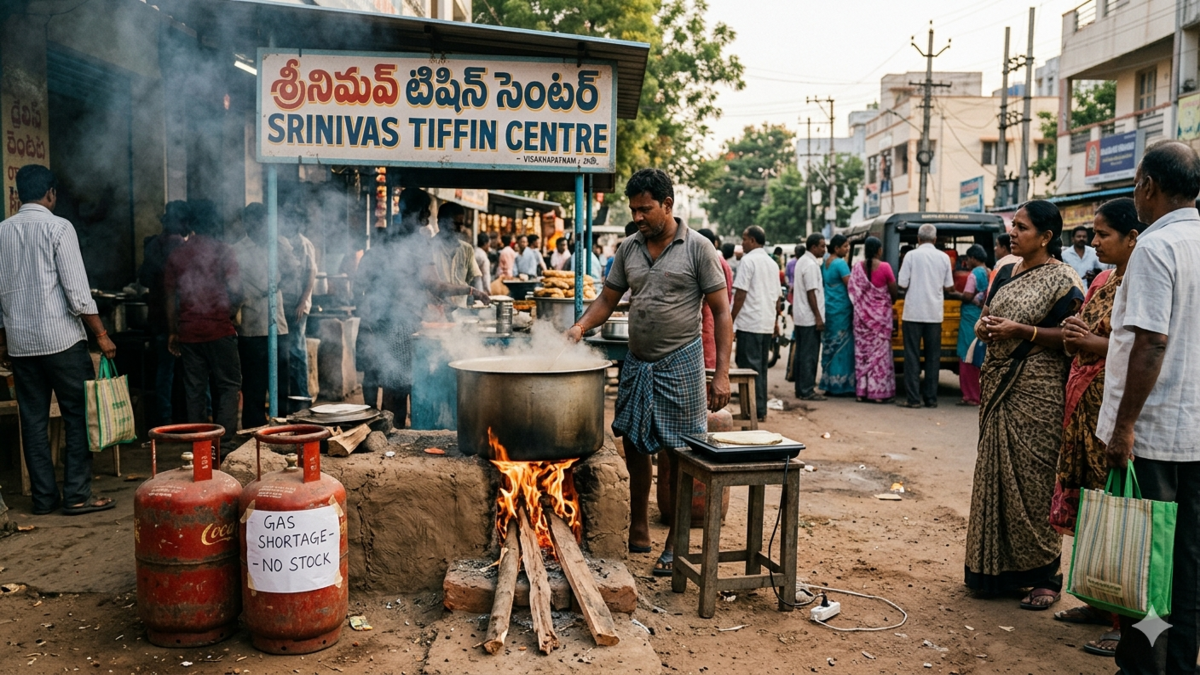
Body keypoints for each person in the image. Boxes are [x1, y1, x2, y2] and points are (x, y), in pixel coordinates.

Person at [566, 168, 731, 578]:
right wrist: (581, 327)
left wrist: (722, 373)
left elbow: (722, 312)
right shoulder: (628, 248)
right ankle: (638, 528)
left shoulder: (698, 248)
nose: (638, 217)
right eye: (634, 210)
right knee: (636, 445)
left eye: (646, 209)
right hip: (637, 362)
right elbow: (608, 298)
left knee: (677, 453)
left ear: (668, 204)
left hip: (682, 363)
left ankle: (676, 542)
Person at [1096, 142, 1200, 674]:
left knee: (1145, 561)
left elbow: (1152, 342)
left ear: (1148, 187)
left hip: (1155, 435)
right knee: (1186, 562)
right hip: (1195, 434)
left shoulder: (1156, 249)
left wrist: (1124, 427)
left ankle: (1144, 664)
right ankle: (1179, 663)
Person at [965, 200, 1084, 609]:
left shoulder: (1063, 279)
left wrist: (1022, 330)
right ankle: (995, 571)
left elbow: (1073, 338)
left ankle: (1044, 575)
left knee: (1034, 484)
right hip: (999, 386)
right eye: (1013, 225)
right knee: (995, 476)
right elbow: (987, 316)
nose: (1012, 233)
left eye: (1022, 227)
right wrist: (986, 327)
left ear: (1046, 237)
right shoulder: (1003, 272)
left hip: (1038, 391)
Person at [1050, 198, 1142, 659]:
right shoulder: (1103, 280)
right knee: (1090, 502)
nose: (1095, 241)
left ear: (1133, 237)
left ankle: (1120, 618)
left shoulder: (1140, 279)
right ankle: (1094, 597)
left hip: (1114, 403)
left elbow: (1137, 341)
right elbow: (1091, 329)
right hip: (1084, 403)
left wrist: (1090, 340)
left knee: (1116, 509)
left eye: (1104, 235)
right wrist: (1077, 330)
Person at [0, 164, 117, 515]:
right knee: (77, 417)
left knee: (33, 422)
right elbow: (78, 293)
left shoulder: (2, 231)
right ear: (51, 193)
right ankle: (78, 495)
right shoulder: (58, 227)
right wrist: (101, 334)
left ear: (19, 194)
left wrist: (4, 342)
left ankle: (43, 498)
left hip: (22, 345)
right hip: (62, 341)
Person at [164, 199, 243, 450]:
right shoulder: (223, 251)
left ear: (191, 224)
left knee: (194, 390)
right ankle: (224, 443)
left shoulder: (177, 254)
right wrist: (230, 312)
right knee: (229, 385)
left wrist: (173, 331)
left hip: (188, 332)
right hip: (220, 329)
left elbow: (169, 297)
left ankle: (198, 445)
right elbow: (236, 289)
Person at [355, 189, 436, 426]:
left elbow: (361, 278)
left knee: (386, 377)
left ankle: (376, 424)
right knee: (393, 381)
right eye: (427, 211)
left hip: (387, 317)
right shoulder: (413, 240)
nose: (429, 217)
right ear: (421, 211)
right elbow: (428, 281)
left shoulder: (393, 235)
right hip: (394, 321)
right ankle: (384, 426)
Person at [234, 203, 294, 427]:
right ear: (246, 223)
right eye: (253, 221)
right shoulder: (238, 250)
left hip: (278, 327)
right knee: (253, 388)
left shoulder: (279, 245)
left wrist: (278, 285)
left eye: (262, 221)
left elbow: (293, 272)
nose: (259, 226)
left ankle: (282, 430)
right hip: (250, 329)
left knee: (280, 387)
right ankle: (254, 433)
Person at [139, 200, 190, 426]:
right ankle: (198, 416)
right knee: (193, 370)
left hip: (158, 317)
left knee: (165, 370)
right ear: (181, 222)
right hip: (184, 317)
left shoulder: (152, 246)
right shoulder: (183, 246)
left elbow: (144, 279)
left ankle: (165, 418)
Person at [897, 224, 955, 408]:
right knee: (932, 357)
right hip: (934, 314)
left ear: (918, 239)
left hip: (912, 313)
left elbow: (902, 283)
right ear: (935, 239)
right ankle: (931, 398)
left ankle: (913, 399)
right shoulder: (944, 257)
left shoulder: (911, 256)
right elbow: (948, 286)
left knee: (912, 356)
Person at [731, 225, 781, 422]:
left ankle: (751, 411)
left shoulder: (748, 261)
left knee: (747, 369)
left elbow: (741, 293)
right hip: (765, 323)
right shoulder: (772, 263)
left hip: (749, 323)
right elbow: (778, 298)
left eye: (744, 238)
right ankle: (759, 410)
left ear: (753, 240)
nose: (742, 242)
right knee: (760, 369)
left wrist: (731, 319)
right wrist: (775, 321)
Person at [847, 236, 897, 403]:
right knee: (880, 357)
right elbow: (893, 291)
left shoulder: (856, 268)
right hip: (880, 320)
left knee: (862, 355)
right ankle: (878, 394)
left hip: (861, 321)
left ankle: (861, 392)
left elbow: (853, 293)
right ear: (879, 250)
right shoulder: (885, 267)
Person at [281, 203, 317, 413]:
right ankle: (291, 398)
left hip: (297, 306)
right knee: (287, 353)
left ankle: (302, 398)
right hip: (284, 303)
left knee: (296, 351)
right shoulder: (282, 242)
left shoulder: (305, 244)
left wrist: (302, 302)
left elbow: (310, 274)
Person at [951, 246, 990, 406]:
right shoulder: (988, 271)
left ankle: (970, 395)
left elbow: (967, 296)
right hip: (981, 315)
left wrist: (952, 293)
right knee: (979, 354)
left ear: (973, 258)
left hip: (969, 316)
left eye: (968, 258)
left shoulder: (974, 274)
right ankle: (980, 393)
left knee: (967, 354)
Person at [791, 233, 826, 401]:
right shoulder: (811, 265)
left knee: (802, 354)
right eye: (822, 246)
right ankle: (807, 389)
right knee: (809, 356)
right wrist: (818, 317)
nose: (824, 249)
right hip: (809, 317)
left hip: (802, 316)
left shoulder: (802, 262)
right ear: (813, 247)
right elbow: (811, 292)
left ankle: (801, 388)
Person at [820, 234, 855, 396]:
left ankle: (828, 383)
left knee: (830, 344)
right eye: (845, 246)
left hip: (829, 308)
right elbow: (851, 286)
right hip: (842, 309)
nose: (847, 249)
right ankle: (841, 385)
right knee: (843, 346)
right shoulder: (841, 264)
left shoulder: (825, 263)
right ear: (836, 248)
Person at [431, 202, 485, 308]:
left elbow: (475, 280)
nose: (459, 229)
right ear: (440, 223)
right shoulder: (428, 248)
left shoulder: (467, 249)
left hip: (461, 313)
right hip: (437, 313)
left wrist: (480, 299)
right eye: (454, 224)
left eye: (460, 224)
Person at [697, 228, 734, 370]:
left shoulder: (711, 260)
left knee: (708, 359)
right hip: (717, 314)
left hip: (710, 316)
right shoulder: (722, 261)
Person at [1062, 225, 1106, 289]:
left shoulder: (1094, 252)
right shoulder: (1065, 255)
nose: (1081, 239)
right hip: (1072, 292)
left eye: (1084, 236)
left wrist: (1094, 275)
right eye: (1079, 236)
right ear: (1072, 239)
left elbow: (1102, 270)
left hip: (1090, 291)